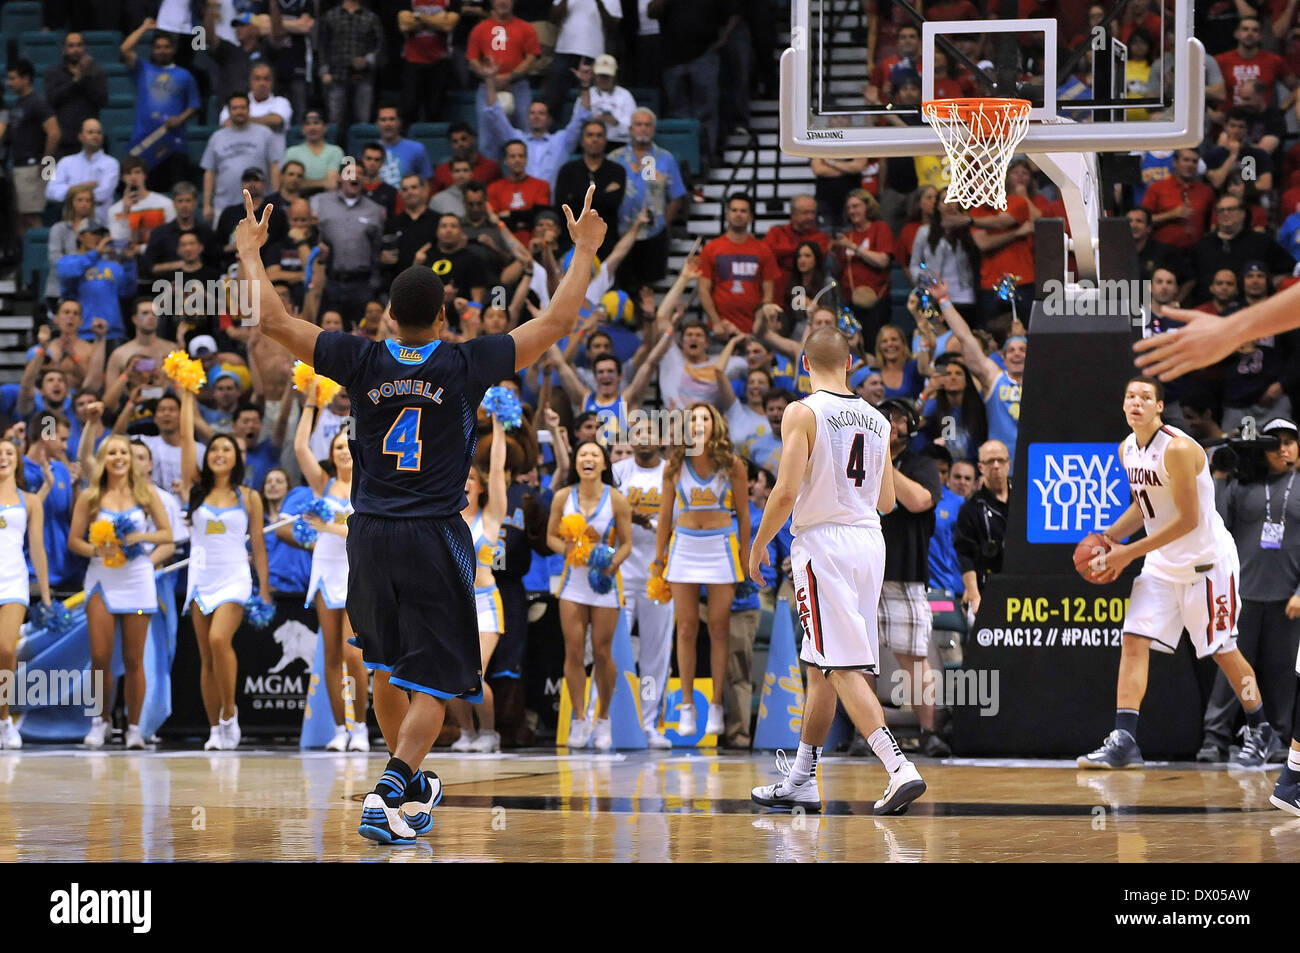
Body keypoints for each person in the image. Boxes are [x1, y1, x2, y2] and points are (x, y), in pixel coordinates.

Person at [234, 178, 607, 843]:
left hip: (369, 531)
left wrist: (250, 254)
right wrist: (582, 251)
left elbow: (275, 321)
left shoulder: (361, 357)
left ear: (388, 315)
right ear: (446, 316)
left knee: (381, 665)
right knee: (437, 679)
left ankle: (405, 782)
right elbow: (554, 323)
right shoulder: (464, 362)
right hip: (434, 532)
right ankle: (388, 787)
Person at [748, 326, 926, 815]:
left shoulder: (802, 411)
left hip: (823, 543)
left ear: (804, 364)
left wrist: (760, 543)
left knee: (839, 665)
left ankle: (898, 767)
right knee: (822, 666)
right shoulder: (877, 417)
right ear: (851, 364)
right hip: (869, 542)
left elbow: (784, 492)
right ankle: (803, 778)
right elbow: (888, 499)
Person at [1078, 378, 1278, 769]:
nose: (1137, 402)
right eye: (1130, 396)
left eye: (1145, 398)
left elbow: (1187, 520)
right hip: (1162, 564)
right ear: (1123, 406)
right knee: (1134, 639)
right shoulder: (1127, 450)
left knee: (1223, 651)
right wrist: (1106, 538)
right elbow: (1145, 507)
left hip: (1206, 565)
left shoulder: (1180, 448)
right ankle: (1124, 740)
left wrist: (1126, 553)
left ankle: (1261, 728)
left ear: (1159, 406)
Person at [1198, 417, 1299, 763]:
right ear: (1263, 448)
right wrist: (1220, 477)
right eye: (1275, 442)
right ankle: (1215, 738)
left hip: (1288, 597)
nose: (1283, 448)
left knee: (1283, 674)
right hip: (1242, 592)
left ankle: (1279, 740)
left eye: (1290, 441)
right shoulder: (1244, 483)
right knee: (1231, 671)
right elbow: (1216, 524)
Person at [178, 390, 270, 751]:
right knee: (206, 657)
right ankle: (215, 727)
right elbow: (187, 438)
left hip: (234, 576)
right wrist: (187, 395)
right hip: (201, 577)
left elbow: (258, 546)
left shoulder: (249, 497)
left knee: (220, 640)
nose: (219, 454)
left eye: (226, 450)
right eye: (214, 450)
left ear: (236, 458)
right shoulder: (196, 490)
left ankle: (230, 714)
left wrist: (264, 588)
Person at [68, 435, 172, 749]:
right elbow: (74, 540)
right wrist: (96, 551)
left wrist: (140, 536)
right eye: (111, 452)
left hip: (137, 578)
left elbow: (168, 534)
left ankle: (135, 728)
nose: (118, 457)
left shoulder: (146, 493)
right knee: (100, 657)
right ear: (103, 459)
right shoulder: (91, 496)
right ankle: (100, 721)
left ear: (131, 458)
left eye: (123, 452)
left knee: (134, 659)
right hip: (101, 579)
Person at [653, 403, 750, 737]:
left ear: (716, 424)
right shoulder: (674, 465)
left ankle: (717, 705)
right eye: (693, 418)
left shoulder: (733, 464)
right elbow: (664, 516)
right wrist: (658, 557)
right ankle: (687, 706)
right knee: (686, 629)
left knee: (720, 627)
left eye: (705, 417)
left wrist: (747, 551)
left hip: (721, 545)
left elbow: (744, 513)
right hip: (684, 547)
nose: (699, 422)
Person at [295, 380, 367, 752]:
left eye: (347, 446)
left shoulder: (368, 487)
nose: (342, 451)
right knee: (332, 657)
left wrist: (328, 526)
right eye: (337, 447)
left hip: (355, 574)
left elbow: (360, 530)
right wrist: (311, 400)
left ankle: (362, 727)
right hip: (325, 572)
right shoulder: (322, 483)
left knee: (355, 655)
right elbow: (298, 447)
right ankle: (340, 730)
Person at [546, 439, 633, 749]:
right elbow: (551, 537)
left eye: (595, 454)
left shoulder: (617, 500)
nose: (588, 458)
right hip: (572, 583)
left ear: (604, 464)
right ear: (576, 463)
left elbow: (626, 544)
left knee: (601, 652)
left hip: (604, 583)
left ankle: (604, 718)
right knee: (573, 651)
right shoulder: (562, 498)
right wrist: (568, 551)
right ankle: (580, 719)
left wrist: (610, 564)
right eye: (583, 453)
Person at [449, 415, 510, 753]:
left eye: (473, 477)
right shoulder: (445, 519)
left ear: (482, 485)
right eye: (463, 477)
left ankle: (490, 733)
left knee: (473, 675)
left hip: (485, 604)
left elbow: (498, 471)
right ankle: (466, 732)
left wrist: (499, 429)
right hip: (452, 605)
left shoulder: (490, 517)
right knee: (450, 679)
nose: (467, 481)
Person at [612, 417, 675, 747]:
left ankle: (650, 723)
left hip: (658, 574)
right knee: (612, 650)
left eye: (650, 431)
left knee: (655, 654)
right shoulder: (619, 471)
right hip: (621, 573)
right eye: (637, 433)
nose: (644, 438)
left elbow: (680, 518)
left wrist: (648, 521)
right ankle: (604, 719)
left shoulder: (671, 472)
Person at [0, 438, 53, 749]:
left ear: (17, 460)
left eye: (9, 453)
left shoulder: (30, 500)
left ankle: (4, 719)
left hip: (13, 582)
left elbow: (37, 549)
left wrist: (45, 595)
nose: (3, 458)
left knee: (6, 650)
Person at [954, 439, 1010, 618]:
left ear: (1009, 463)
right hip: (988, 586)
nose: (996, 466)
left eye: (1001, 460)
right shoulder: (970, 508)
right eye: (989, 461)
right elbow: (965, 555)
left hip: (1021, 583)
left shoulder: (1026, 499)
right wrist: (973, 594)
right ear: (980, 467)